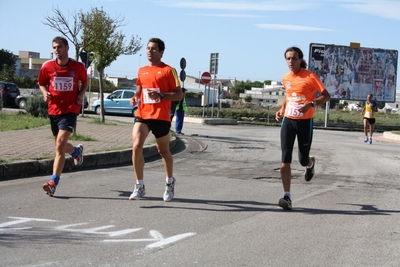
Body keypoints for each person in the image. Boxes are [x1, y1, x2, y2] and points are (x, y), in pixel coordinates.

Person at [275, 46, 331, 210]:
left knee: (302, 159)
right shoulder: (285, 78)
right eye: (288, 58)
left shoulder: (310, 76)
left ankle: (309, 164)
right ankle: (287, 196)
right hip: (289, 121)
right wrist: (282, 110)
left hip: (305, 122)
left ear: (300, 59)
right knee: (285, 159)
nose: (290, 61)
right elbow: (289, 97)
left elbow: (326, 96)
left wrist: (312, 103)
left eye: (293, 58)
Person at [129, 37, 183, 202]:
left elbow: (179, 94)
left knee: (163, 152)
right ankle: (139, 186)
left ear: (161, 52)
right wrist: (135, 97)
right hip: (143, 114)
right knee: (136, 146)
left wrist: (161, 95)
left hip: (161, 116)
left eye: (153, 49)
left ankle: (169, 182)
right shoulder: (142, 70)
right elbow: (140, 88)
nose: (150, 51)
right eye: (148, 48)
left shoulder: (169, 70)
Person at [38, 36, 88, 197]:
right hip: (54, 110)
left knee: (60, 145)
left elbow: (84, 82)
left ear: (67, 48)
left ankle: (53, 183)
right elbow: (41, 82)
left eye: (59, 47)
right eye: (54, 47)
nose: (56, 50)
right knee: (59, 146)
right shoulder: (48, 66)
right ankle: (75, 152)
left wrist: (80, 94)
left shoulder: (78, 66)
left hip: (70, 109)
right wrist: (45, 92)